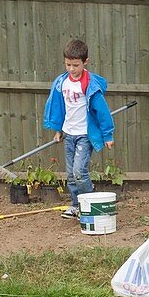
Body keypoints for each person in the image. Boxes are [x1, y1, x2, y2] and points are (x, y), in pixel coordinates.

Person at [43, 39, 116, 220]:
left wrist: (107, 135)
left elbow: (103, 112)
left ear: (86, 62)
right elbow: (59, 108)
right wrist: (58, 129)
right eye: (68, 64)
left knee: (79, 172)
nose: (71, 69)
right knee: (70, 174)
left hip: (85, 135)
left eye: (75, 65)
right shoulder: (62, 83)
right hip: (69, 134)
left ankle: (89, 202)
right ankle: (76, 205)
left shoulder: (90, 86)